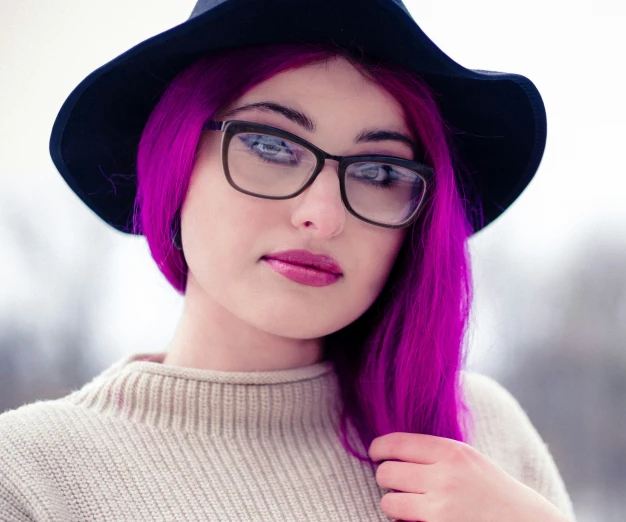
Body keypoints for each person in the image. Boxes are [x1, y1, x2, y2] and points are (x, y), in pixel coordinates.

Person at [0, 0, 576, 520]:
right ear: (174, 160)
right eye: (271, 145)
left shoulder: (483, 433)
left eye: (380, 171)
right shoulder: (31, 479)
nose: (322, 216)